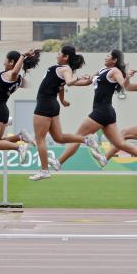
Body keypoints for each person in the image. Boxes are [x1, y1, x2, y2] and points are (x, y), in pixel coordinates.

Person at [50, 50, 137, 171]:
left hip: (101, 111)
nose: (105, 57)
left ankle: (58, 162)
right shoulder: (102, 70)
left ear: (115, 60)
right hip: (107, 112)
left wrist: (127, 77)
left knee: (78, 136)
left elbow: (124, 85)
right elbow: (87, 82)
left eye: (108, 56)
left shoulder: (115, 71)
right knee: (119, 143)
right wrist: (72, 82)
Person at [30, 45, 101, 181]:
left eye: (59, 53)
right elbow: (62, 85)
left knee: (40, 139)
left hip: (44, 104)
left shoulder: (65, 68)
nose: (56, 55)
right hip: (53, 104)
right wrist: (62, 100)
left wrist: (80, 77)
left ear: (65, 57)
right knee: (59, 137)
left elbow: (68, 82)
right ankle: (86, 139)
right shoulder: (62, 69)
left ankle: (44, 170)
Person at [0, 49, 40, 163]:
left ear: (11, 62)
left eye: (6, 59)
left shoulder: (10, 74)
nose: (3, 62)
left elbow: (14, 72)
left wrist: (23, 56)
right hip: (1, 110)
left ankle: (20, 147)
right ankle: (20, 137)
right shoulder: (19, 80)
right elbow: (24, 81)